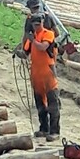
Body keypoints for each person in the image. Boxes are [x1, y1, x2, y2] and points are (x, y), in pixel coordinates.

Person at [28, 13, 61, 141]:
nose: (37, 27)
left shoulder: (48, 34)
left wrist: (32, 40)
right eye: (35, 25)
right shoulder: (33, 37)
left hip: (48, 73)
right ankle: (44, 128)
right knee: (40, 104)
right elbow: (26, 52)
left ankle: (55, 131)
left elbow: (43, 47)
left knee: (53, 104)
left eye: (39, 24)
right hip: (36, 75)